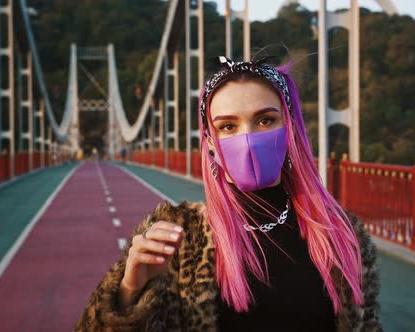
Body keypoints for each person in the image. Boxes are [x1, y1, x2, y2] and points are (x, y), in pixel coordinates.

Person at [74, 56, 382, 331]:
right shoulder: (178, 234)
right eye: (227, 126)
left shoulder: (341, 235)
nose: (247, 137)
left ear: (290, 129)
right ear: (209, 141)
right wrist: (130, 290)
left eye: (265, 120)